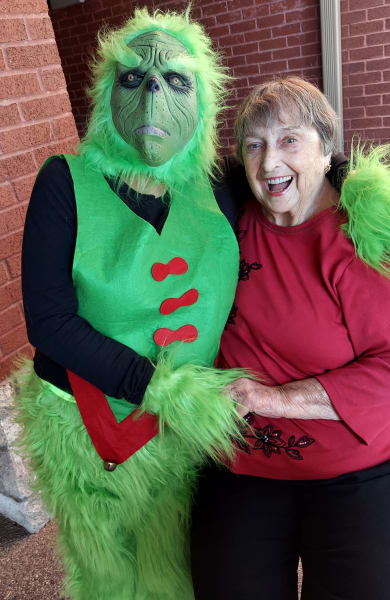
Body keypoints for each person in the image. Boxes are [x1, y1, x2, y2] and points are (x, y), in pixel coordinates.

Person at [16, 8, 249, 600]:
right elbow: (48, 319)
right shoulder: (63, 181)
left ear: (204, 98)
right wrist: (154, 387)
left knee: (176, 566)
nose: (153, 98)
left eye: (175, 80)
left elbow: (300, 184)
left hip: (182, 432)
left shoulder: (220, 187)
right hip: (85, 420)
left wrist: (363, 192)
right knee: (107, 577)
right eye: (134, 79)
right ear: (105, 91)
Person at [190, 76, 390, 600]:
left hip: (367, 465)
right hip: (246, 465)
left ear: (327, 149)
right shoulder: (226, 225)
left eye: (290, 140)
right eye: (255, 144)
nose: (269, 163)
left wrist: (271, 398)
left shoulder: (358, 233)